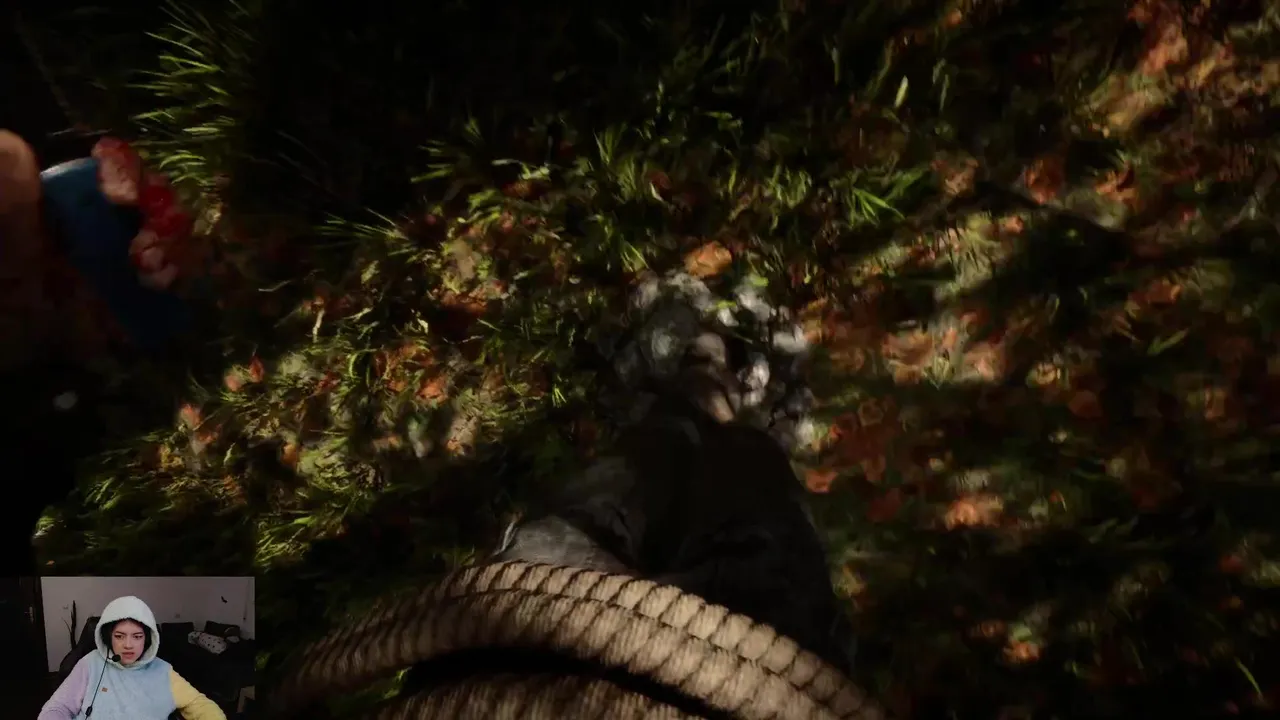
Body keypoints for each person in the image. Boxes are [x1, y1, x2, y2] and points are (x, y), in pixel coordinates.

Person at [38, 595, 226, 720]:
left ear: (148, 639)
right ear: (108, 638)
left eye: (137, 637)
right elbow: (57, 707)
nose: (128, 645)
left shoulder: (163, 671)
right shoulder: (90, 663)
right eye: (119, 636)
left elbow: (199, 705)